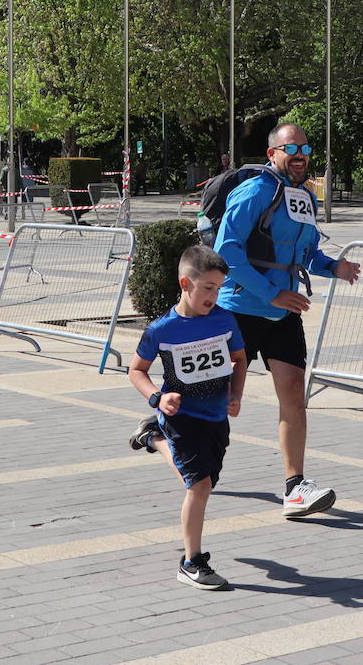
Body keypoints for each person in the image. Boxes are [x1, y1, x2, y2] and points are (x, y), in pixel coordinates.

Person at [215, 122, 360, 517]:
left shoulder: (305, 198)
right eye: (290, 147)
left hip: (282, 311)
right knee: (216, 397)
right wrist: (272, 291)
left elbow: (307, 254)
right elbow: (226, 253)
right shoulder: (255, 191)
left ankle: (295, 487)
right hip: (239, 308)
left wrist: (336, 267)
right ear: (272, 154)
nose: (300, 154)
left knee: (294, 391)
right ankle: (163, 426)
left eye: (305, 147)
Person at [127, 245, 247, 590]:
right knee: (199, 486)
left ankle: (152, 437)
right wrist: (157, 397)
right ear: (185, 283)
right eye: (208, 287)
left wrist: (236, 394)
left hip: (214, 418)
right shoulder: (162, 329)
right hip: (182, 416)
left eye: (220, 288)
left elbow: (239, 359)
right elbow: (136, 370)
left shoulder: (224, 320)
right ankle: (192, 562)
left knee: (207, 478)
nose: (215, 295)